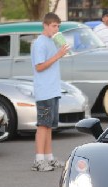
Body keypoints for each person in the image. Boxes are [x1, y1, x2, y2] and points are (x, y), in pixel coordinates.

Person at [31, 12, 70, 172]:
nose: (56, 29)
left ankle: (49, 157)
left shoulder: (52, 42)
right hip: (44, 91)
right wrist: (58, 55)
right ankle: (39, 160)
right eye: (54, 26)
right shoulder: (39, 43)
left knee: (49, 126)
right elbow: (39, 66)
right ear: (45, 25)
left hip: (53, 90)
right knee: (43, 125)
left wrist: (60, 52)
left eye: (58, 26)